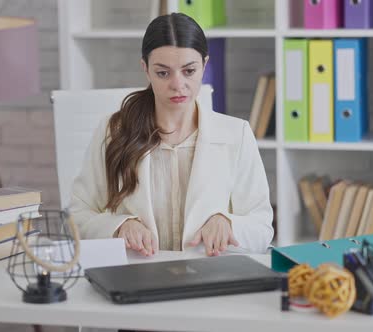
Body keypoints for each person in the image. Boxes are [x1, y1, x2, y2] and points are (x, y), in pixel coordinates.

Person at [70, 13, 273, 257]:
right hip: (137, 277)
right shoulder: (115, 131)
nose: (177, 84)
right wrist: (118, 226)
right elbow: (76, 216)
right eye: (163, 73)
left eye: (189, 71)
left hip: (208, 277)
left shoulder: (236, 135)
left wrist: (228, 223)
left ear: (204, 66)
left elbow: (262, 227)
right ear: (145, 69)